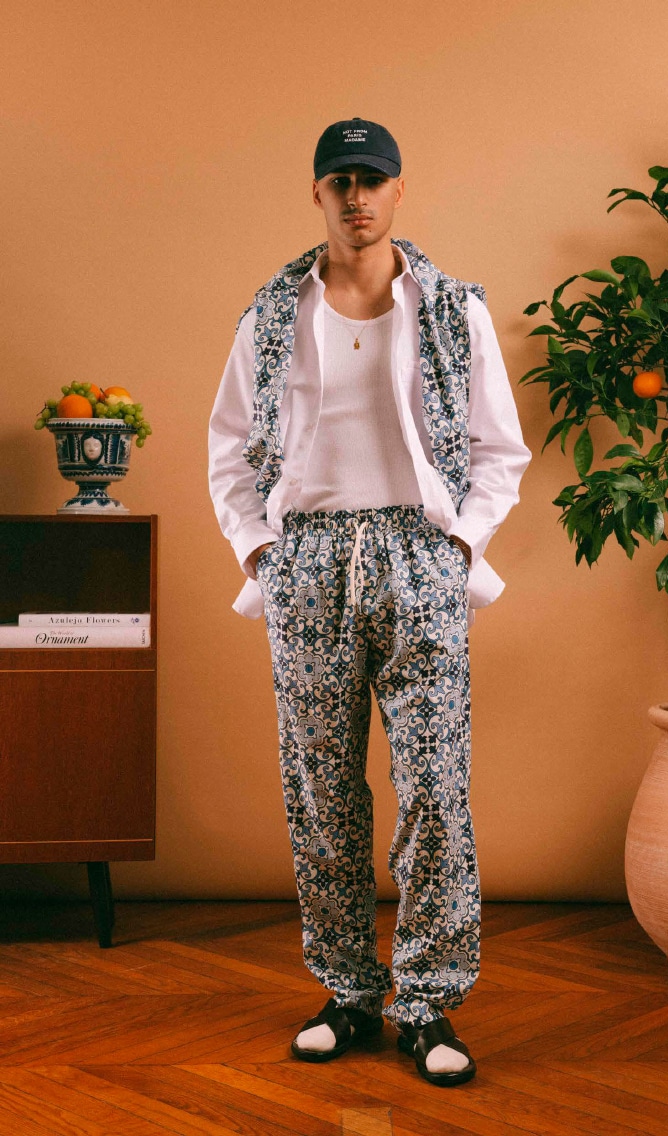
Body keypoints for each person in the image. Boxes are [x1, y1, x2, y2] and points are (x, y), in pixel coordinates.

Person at [208, 117, 530, 1087]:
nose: (356, 197)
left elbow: (499, 449)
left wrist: (456, 550)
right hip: (307, 559)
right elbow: (229, 451)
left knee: (434, 784)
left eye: (372, 179)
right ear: (317, 192)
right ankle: (347, 989)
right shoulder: (271, 314)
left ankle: (426, 1003)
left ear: (397, 189)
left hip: (417, 558)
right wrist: (263, 555)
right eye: (340, 180)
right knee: (320, 789)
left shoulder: (452, 309)